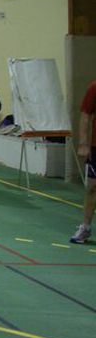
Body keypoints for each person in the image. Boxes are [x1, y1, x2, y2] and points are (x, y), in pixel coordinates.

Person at [69, 79, 96, 244]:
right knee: (92, 187)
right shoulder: (94, 87)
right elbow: (86, 114)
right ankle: (85, 227)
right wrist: (84, 143)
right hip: (95, 146)